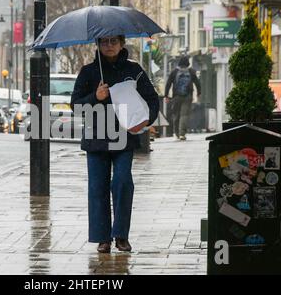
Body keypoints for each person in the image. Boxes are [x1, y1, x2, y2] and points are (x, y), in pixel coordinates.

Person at [70, 35, 159, 253]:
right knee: (97, 188)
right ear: (98, 45)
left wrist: (147, 121)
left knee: (122, 183)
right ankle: (102, 238)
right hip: (96, 139)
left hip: (124, 138)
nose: (109, 46)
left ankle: (121, 235)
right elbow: (76, 106)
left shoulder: (134, 70)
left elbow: (152, 98)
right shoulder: (88, 72)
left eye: (114, 42)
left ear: (121, 44)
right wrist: (95, 97)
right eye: (104, 42)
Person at [164, 56, 201, 140]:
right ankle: (182, 134)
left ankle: (176, 133)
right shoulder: (191, 71)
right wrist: (198, 93)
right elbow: (197, 83)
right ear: (188, 63)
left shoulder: (174, 72)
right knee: (184, 115)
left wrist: (166, 95)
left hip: (176, 96)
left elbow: (168, 83)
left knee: (176, 115)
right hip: (188, 96)